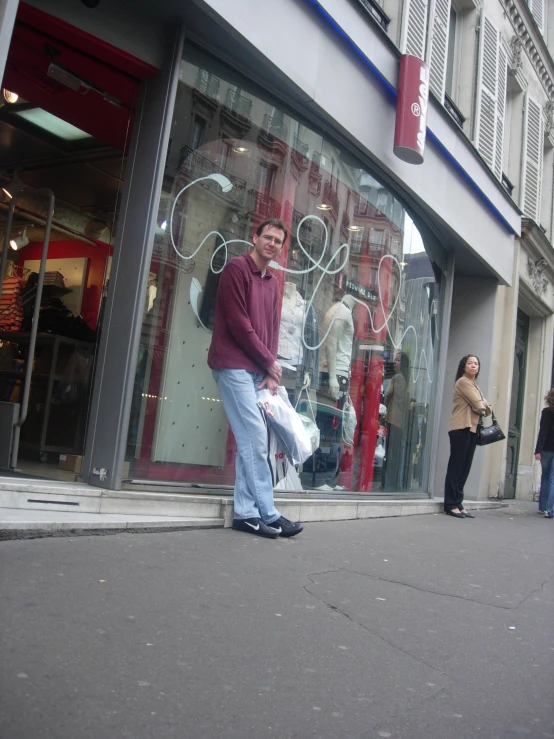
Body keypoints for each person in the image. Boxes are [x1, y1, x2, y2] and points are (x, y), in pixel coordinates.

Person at [208, 218, 303, 539]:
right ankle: (269, 512)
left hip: (256, 371)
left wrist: (270, 371)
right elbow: (238, 323)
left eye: (278, 241)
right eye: (268, 237)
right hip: (232, 364)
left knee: (252, 440)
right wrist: (269, 364)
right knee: (255, 439)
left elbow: (272, 331)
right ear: (255, 238)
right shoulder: (236, 269)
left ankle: (245, 514)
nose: (272, 243)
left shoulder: (273, 282)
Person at [444, 354, 492, 518]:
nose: (473, 365)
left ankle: (458, 502)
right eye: (470, 363)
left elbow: (486, 408)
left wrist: (484, 405)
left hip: (472, 429)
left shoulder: (474, 385)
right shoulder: (463, 382)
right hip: (460, 427)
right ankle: (450, 504)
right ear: (464, 366)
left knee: (465, 468)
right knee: (456, 467)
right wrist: (484, 404)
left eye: (476, 363)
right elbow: (480, 406)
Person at [534, 388, 554, 518]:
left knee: (546, 476)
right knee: (552, 478)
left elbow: (543, 432)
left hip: (546, 449)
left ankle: (542, 506)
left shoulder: (546, 412)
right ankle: (548, 509)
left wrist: (538, 450)